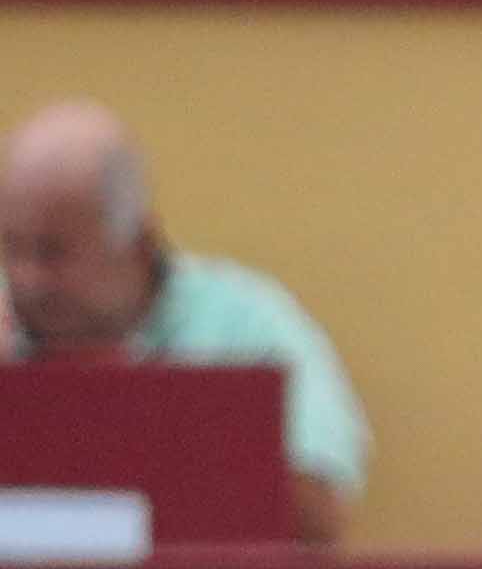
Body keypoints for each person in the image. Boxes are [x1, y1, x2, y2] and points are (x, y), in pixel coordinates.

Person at [0, 98, 373, 542]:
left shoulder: (243, 326)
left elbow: (319, 522)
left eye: (52, 253)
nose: (26, 278)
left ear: (138, 246)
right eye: (12, 247)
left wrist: (179, 430)